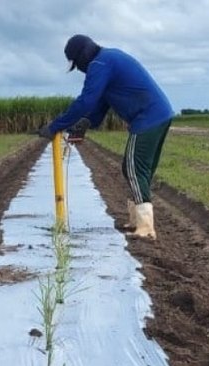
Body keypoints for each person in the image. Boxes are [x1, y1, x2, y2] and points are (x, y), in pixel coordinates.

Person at [39, 34, 174, 239]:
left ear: (83, 55)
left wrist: (55, 126)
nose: (80, 69)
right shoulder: (108, 59)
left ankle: (146, 228)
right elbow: (101, 103)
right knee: (134, 169)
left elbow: (86, 101)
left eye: (77, 64)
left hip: (149, 116)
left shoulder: (100, 64)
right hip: (159, 114)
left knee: (134, 168)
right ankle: (137, 220)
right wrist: (85, 123)